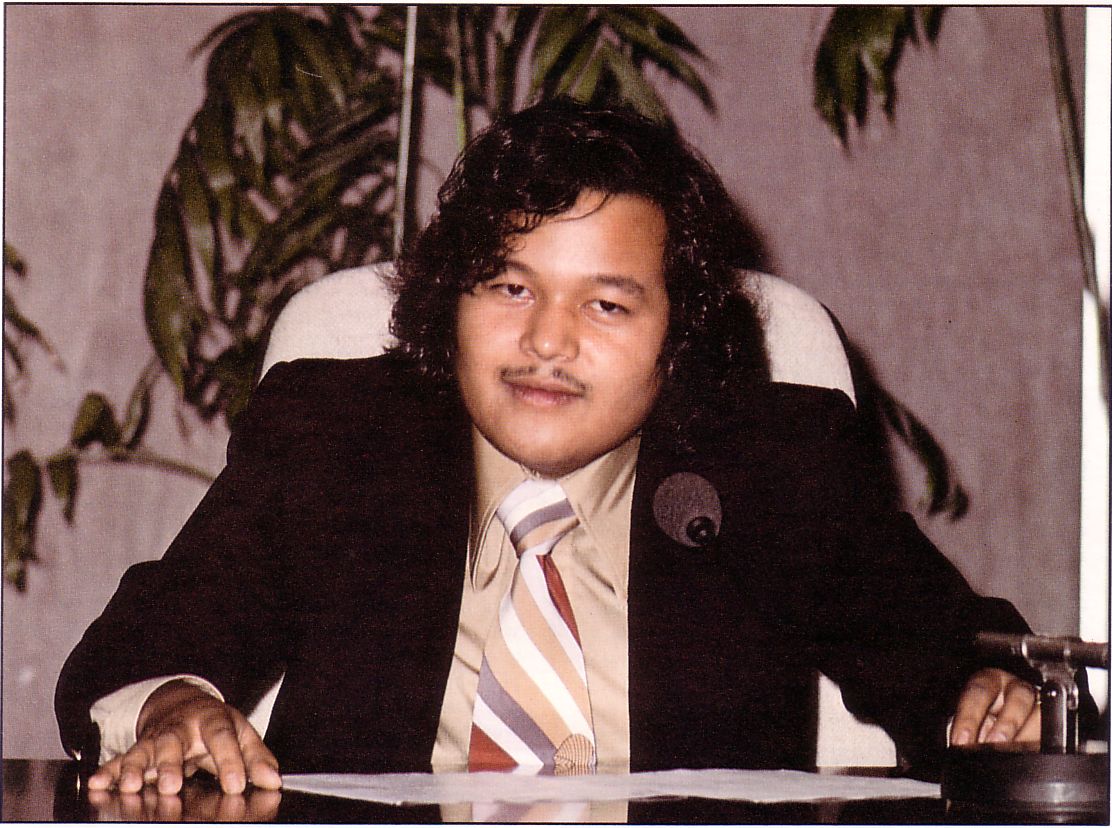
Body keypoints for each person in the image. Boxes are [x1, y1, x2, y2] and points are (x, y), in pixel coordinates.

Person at [56, 98, 1044, 797]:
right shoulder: (340, 441)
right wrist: (173, 706)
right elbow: (145, 645)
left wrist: (988, 699)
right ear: (449, 304)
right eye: (509, 287)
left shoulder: (770, 467)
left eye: (606, 305)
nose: (545, 342)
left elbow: (956, 656)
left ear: (679, 335)